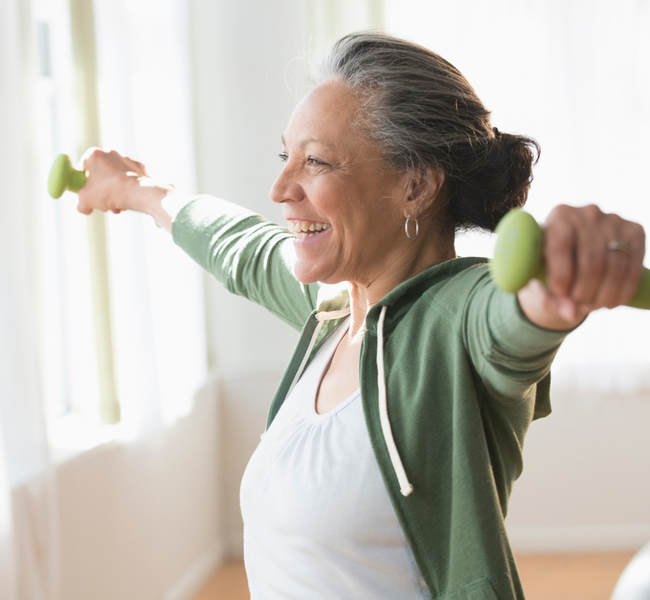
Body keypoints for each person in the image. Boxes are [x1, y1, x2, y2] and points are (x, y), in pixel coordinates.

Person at [76, 31, 645, 600]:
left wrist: (558, 288)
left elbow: (509, 321)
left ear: (415, 185)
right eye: (286, 157)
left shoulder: (454, 319)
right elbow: (240, 248)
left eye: (316, 162)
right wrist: (138, 190)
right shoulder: (334, 312)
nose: (279, 188)